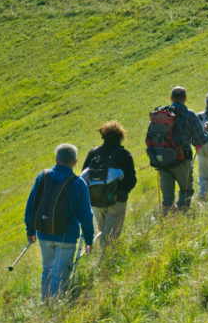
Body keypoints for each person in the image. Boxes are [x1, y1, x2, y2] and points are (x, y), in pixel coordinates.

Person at [24, 143, 95, 302]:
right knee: (62, 273)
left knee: (48, 269)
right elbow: (86, 215)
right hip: (67, 235)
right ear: (75, 162)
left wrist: (30, 230)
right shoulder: (78, 184)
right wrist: (89, 240)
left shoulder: (42, 177)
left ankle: (46, 303)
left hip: (44, 232)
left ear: (56, 159)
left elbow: (31, 205)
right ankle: (58, 307)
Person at [148, 86, 208, 214]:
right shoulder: (189, 115)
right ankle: (182, 218)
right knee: (186, 190)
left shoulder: (159, 115)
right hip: (181, 160)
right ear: (185, 98)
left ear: (171, 98)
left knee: (167, 197)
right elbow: (200, 140)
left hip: (161, 161)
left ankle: (167, 222)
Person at [79, 121, 136, 246]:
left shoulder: (93, 153)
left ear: (103, 136)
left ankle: (104, 259)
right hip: (117, 200)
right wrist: (122, 192)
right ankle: (105, 263)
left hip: (96, 201)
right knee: (111, 237)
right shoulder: (124, 154)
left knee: (103, 232)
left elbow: (83, 176)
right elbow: (131, 180)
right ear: (121, 136)